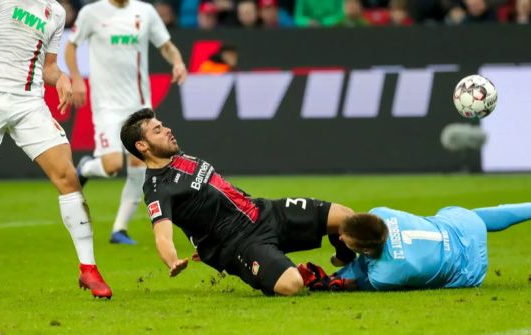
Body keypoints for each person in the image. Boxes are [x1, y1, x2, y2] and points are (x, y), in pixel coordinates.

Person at [0, 0, 111, 298]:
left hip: (28, 104)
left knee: (67, 177)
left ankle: (89, 269)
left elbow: (50, 67)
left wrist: (63, 77)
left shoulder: (55, 11)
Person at [119, 109, 358, 296]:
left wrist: (204, 240)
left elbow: (210, 198)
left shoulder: (177, 156)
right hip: (242, 243)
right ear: (142, 146)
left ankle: (345, 261)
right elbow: (162, 235)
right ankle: (311, 276)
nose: (168, 129)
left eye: (163, 125)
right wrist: (173, 260)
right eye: (158, 130)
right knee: (291, 284)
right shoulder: (157, 188)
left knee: (348, 219)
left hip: (264, 212)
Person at [298, 185, 531, 291]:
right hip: (462, 229)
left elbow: (354, 280)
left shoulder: (386, 274)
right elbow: (365, 236)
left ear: (364, 248)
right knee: (472, 216)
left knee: (353, 274)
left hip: (468, 271)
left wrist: (331, 277)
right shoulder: (383, 213)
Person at [65, 0, 187, 245]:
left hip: (139, 105)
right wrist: (76, 78)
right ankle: (87, 167)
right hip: (106, 105)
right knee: (111, 166)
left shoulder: (145, 11)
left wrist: (177, 61)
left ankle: (119, 229)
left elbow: (165, 45)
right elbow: (71, 47)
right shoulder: (92, 12)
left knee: (140, 165)